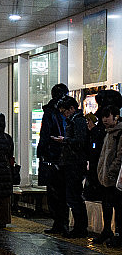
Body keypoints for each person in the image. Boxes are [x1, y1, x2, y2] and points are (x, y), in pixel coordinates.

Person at [53, 95, 89, 237]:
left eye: (64, 111)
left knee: (74, 196)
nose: (63, 114)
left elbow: (80, 141)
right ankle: (79, 228)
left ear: (72, 108)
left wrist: (64, 140)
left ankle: (80, 229)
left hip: (75, 163)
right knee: (72, 195)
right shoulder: (73, 120)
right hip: (71, 163)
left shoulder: (78, 120)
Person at [38, 83, 69, 235]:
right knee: (59, 192)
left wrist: (42, 152)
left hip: (53, 156)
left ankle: (59, 222)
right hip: (60, 156)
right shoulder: (62, 112)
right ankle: (61, 223)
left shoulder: (51, 112)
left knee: (55, 192)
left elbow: (44, 134)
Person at [96, 105, 122, 246]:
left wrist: (111, 171)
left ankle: (118, 235)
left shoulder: (119, 133)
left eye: (108, 116)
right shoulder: (108, 133)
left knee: (118, 207)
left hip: (115, 179)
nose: (104, 119)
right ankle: (107, 231)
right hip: (105, 177)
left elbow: (119, 156)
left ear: (115, 116)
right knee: (106, 206)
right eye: (103, 116)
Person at [84, 112, 105, 202]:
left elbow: (94, 150)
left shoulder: (96, 133)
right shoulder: (91, 133)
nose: (87, 123)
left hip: (95, 165)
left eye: (88, 121)